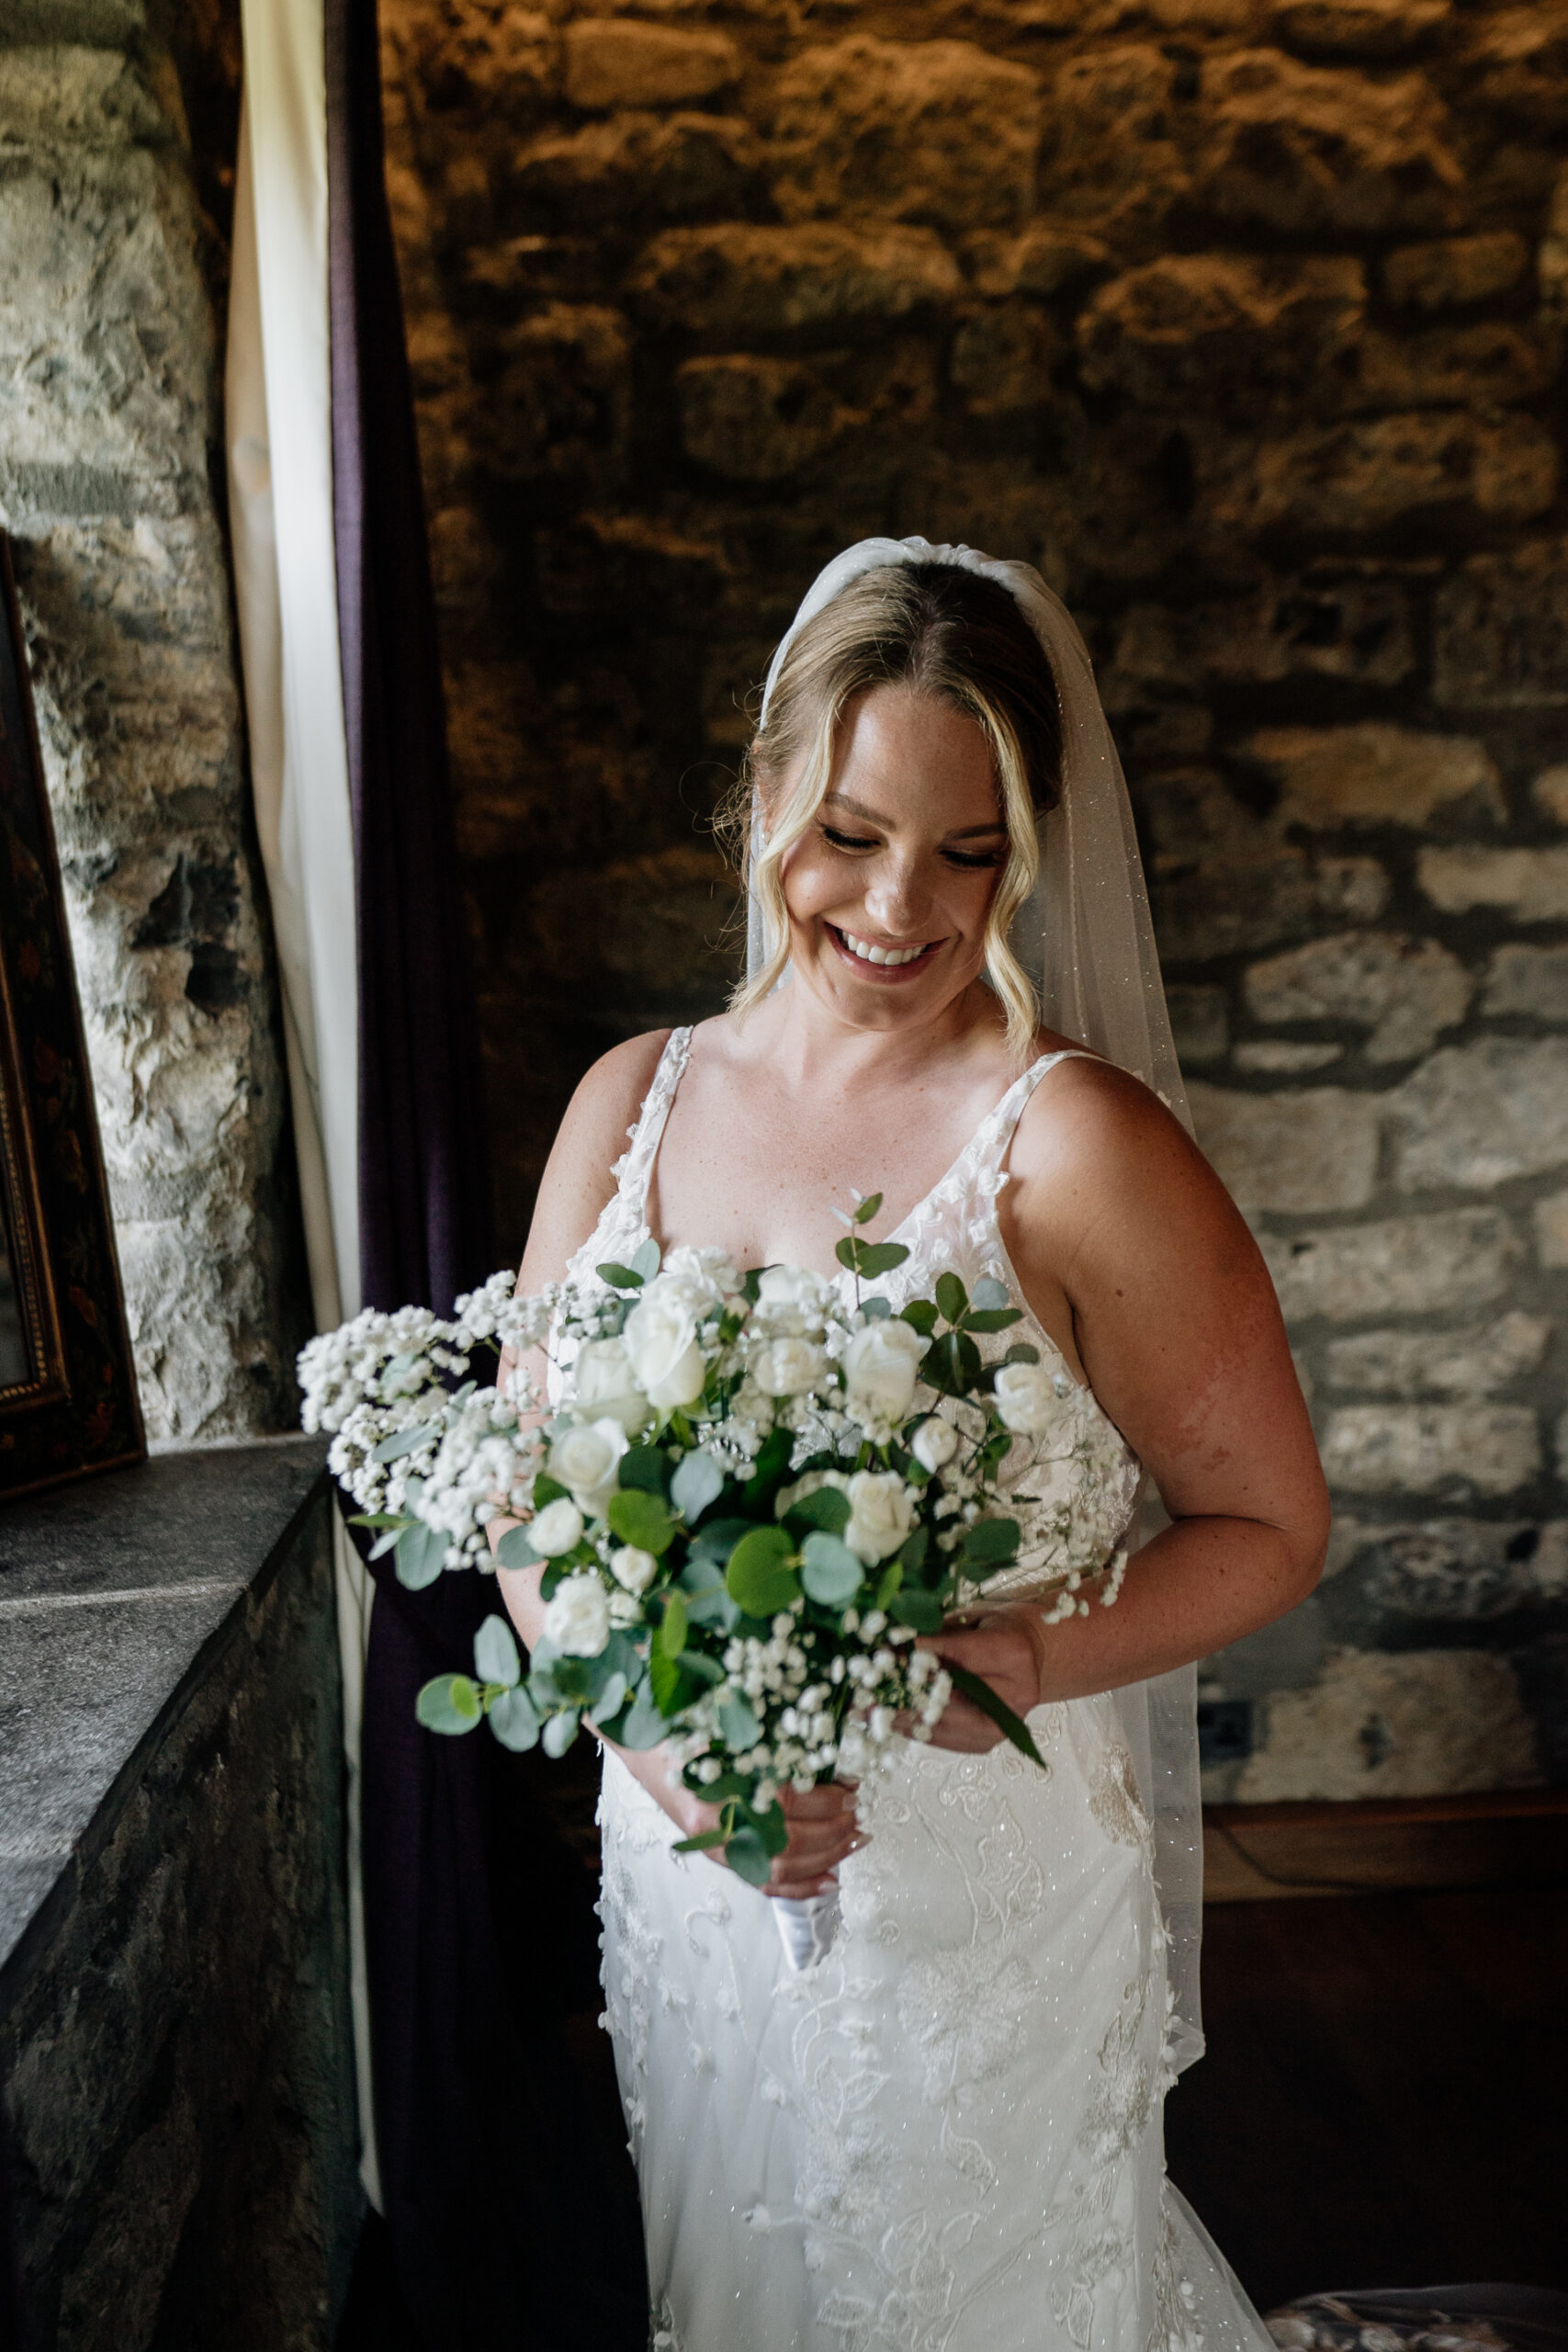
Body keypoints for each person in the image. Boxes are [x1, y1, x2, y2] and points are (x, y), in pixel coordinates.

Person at [494, 542, 1330, 2351]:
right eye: (849, 832)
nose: (898, 904)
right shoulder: (626, 1102)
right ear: (762, 792)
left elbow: (1265, 1521)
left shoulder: (1075, 1144)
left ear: (1031, 849)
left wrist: (1036, 1648)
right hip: (692, 1868)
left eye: (970, 851)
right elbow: (530, 1504)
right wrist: (656, 1754)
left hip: (980, 1884)